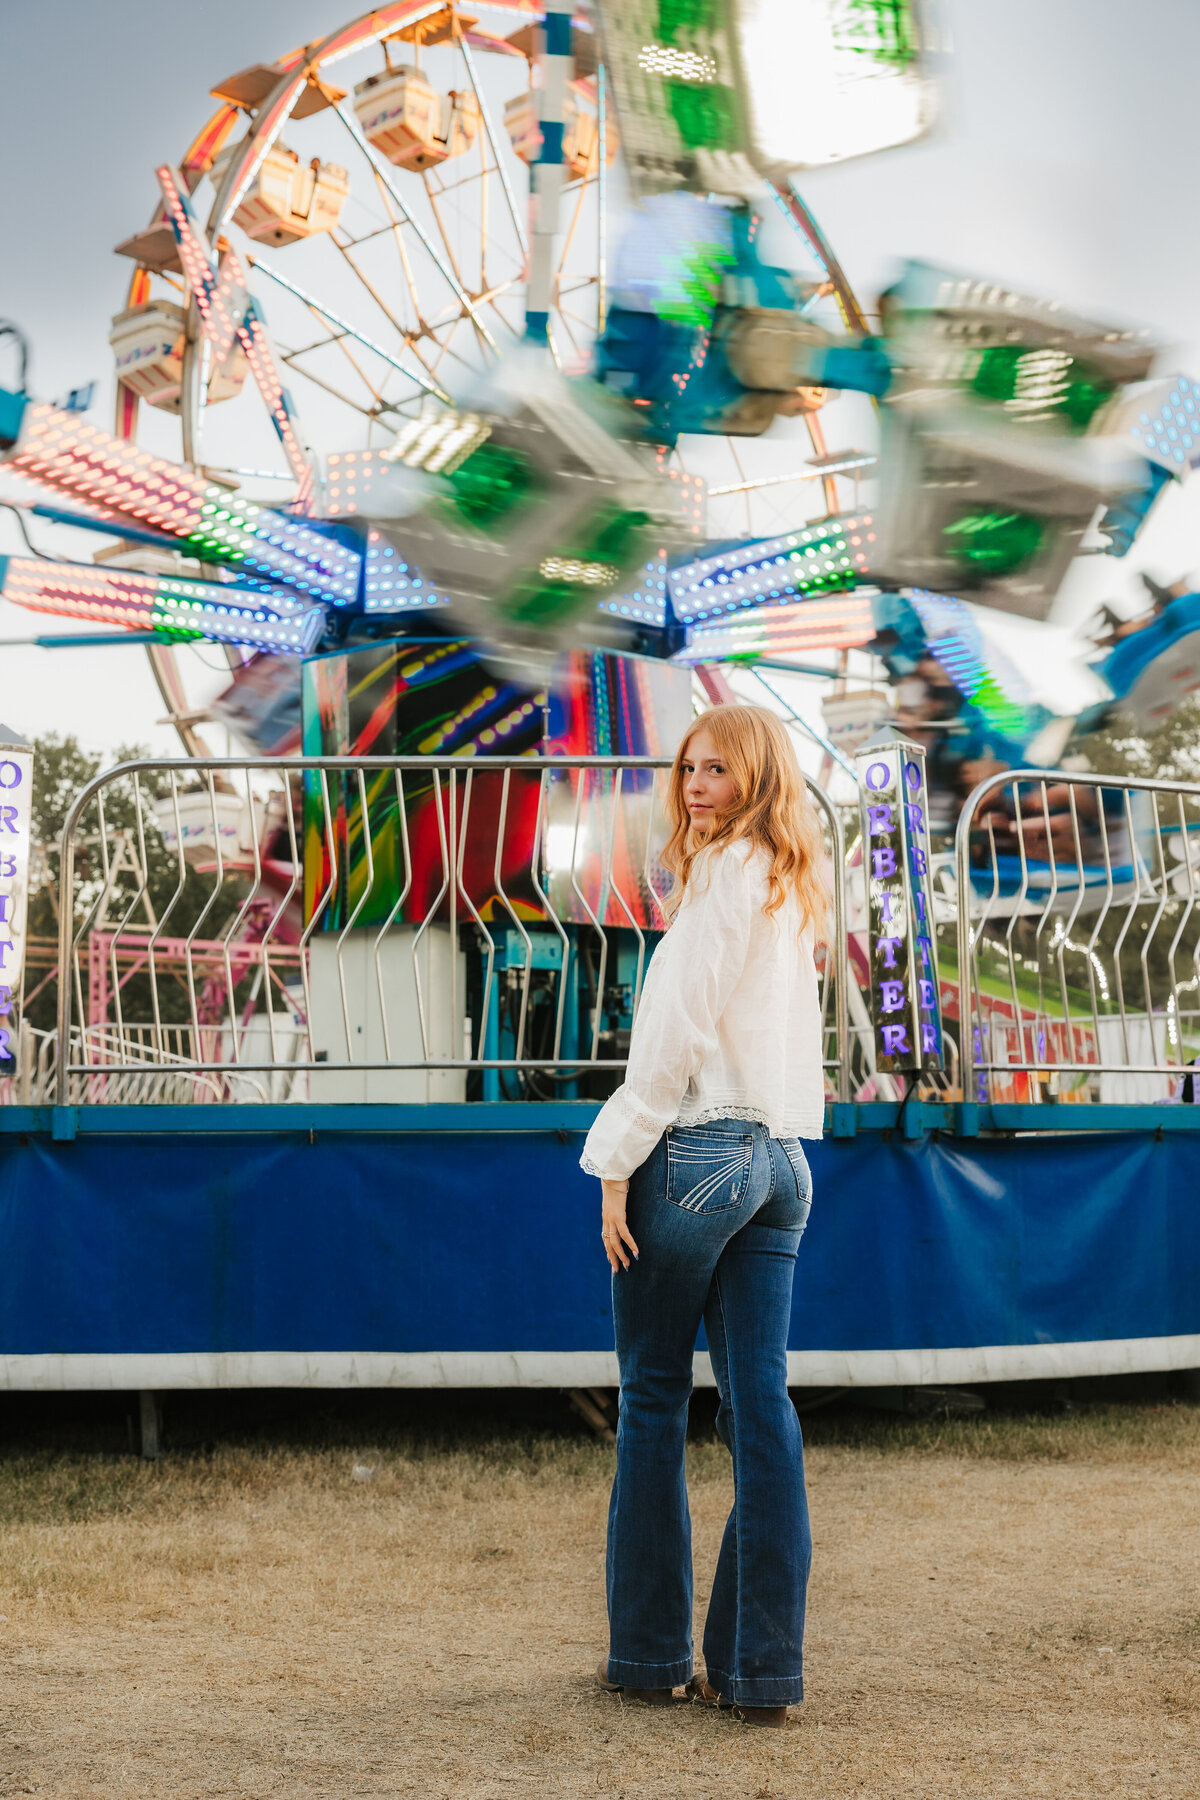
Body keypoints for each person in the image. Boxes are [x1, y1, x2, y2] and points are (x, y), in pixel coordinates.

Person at [580, 703, 827, 1729]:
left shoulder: (725, 873)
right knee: (760, 1408)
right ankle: (753, 1669)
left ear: (755, 777)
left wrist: (613, 1161)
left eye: (717, 770)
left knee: (648, 1398)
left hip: (698, 1152)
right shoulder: (786, 878)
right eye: (689, 768)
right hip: (780, 1160)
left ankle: (647, 1657)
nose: (695, 786)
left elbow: (674, 1033)